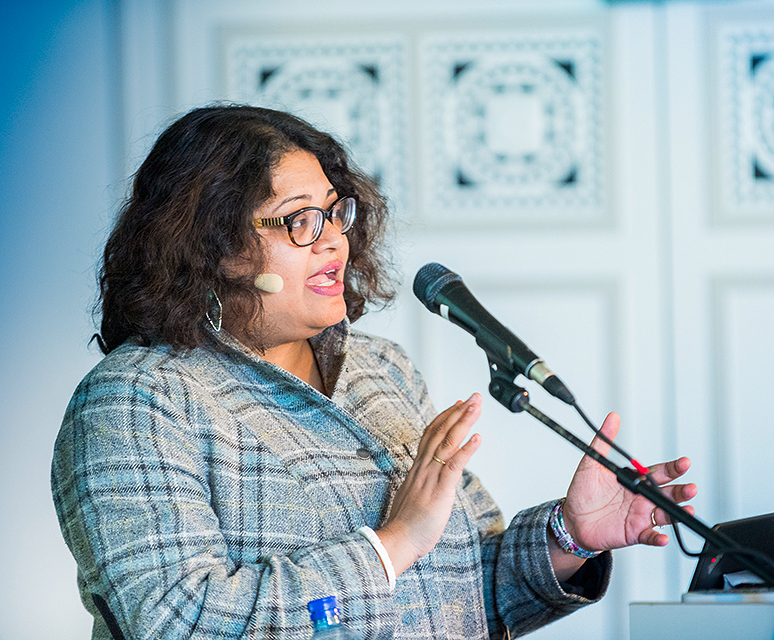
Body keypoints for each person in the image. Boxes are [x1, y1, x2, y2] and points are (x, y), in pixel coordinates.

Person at [51, 104, 697, 640]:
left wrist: (570, 536)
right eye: (300, 221)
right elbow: (178, 622)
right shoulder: (136, 401)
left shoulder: (379, 369)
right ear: (216, 246)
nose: (334, 239)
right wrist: (391, 546)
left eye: (336, 212)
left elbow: (468, 593)